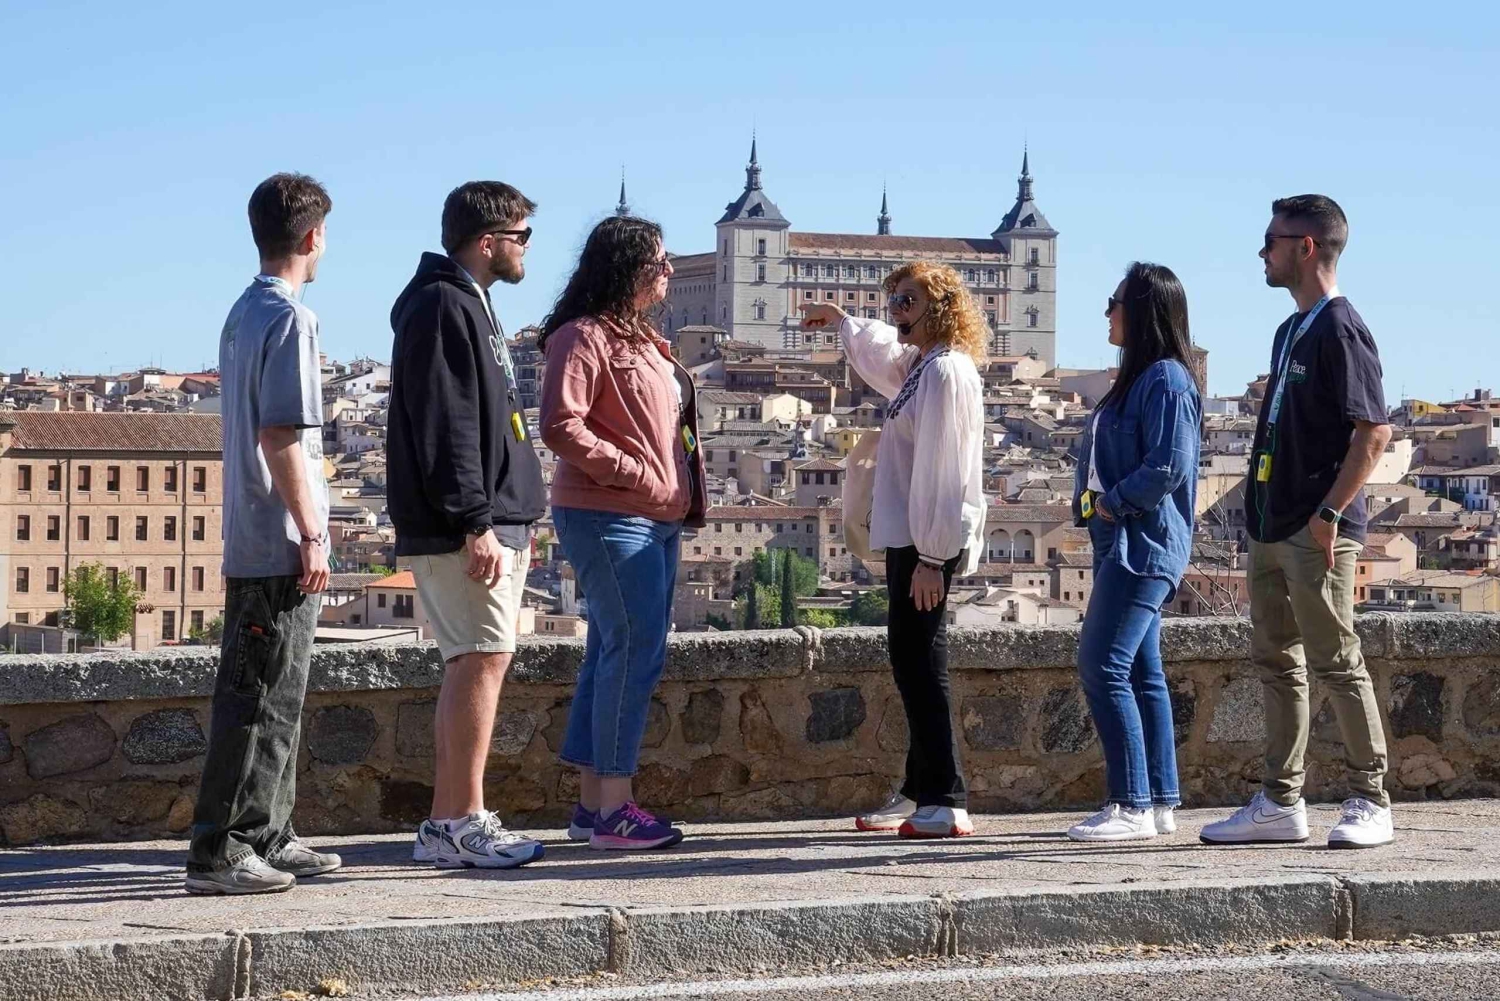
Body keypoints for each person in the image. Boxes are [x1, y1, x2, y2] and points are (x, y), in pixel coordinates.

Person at [1201, 195, 1395, 849]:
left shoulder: (1341, 329)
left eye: (1272, 240)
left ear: (1306, 247)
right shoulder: (1291, 331)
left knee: (1336, 660)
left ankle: (1370, 798)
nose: (1263, 252)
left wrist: (1330, 513)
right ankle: (1280, 802)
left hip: (1316, 527)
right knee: (1277, 663)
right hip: (1271, 524)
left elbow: (1373, 431)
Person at [185, 173, 339, 894]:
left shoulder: (241, 313)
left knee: (274, 693)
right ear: (313, 236)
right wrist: (312, 532)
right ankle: (222, 851)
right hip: (278, 539)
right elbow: (282, 434)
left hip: (252, 536)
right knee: (259, 698)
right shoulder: (292, 319)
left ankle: (270, 832)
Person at [389, 181, 549, 869]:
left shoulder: (465, 303)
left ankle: (446, 821)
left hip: (489, 518)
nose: (526, 249)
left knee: (475, 661)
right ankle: (461, 821)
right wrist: (475, 521)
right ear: (488, 242)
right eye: (521, 236)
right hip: (468, 526)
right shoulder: (442, 305)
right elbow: (447, 421)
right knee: (480, 660)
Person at [801, 261, 986, 839]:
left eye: (908, 301)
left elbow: (944, 468)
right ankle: (918, 789)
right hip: (913, 536)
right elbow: (882, 355)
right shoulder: (922, 366)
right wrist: (843, 321)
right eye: (894, 302)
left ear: (940, 308)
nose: (897, 312)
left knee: (922, 663)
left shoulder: (946, 371)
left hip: (926, 540)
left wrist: (932, 556)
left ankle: (946, 798)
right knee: (911, 660)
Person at [539, 215, 706, 850]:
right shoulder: (583, 336)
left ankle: (592, 806)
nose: (669, 271)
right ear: (627, 266)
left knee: (614, 650)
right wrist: (631, 471)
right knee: (635, 653)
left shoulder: (643, 341)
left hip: (656, 517)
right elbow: (560, 425)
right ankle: (615, 808)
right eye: (659, 262)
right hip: (609, 513)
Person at [1065, 263, 1202, 843]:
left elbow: (1168, 466)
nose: (1107, 312)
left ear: (1143, 311)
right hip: (1121, 538)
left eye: (1115, 301)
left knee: (1102, 665)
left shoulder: (1166, 380)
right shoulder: (1140, 378)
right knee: (1144, 672)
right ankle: (1160, 801)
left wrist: (1110, 506)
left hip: (1139, 542)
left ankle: (1129, 804)